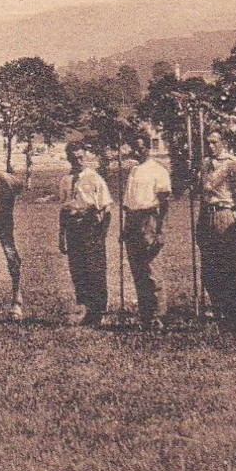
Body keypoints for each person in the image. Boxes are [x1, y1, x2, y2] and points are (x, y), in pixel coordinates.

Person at [197, 130, 236, 328]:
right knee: (209, 268)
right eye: (208, 143)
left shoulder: (233, 164)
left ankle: (234, 314)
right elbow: (202, 190)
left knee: (226, 266)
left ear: (224, 142)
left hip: (225, 214)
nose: (210, 146)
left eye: (214, 142)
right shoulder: (205, 164)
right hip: (207, 215)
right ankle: (218, 309)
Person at [120, 133, 172, 328]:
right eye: (135, 148)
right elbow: (128, 203)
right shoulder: (133, 171)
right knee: (138, 270)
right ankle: (146, 314)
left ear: (148, 148)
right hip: (132, 220)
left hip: (149, 219)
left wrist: (161, 230)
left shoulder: (158, 170)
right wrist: (125, 227)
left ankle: (159, 315)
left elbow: (165, 203)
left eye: (141, 148)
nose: (138, 151)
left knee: (151, 269)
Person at [58, 142, 113, 326]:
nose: (78, 161)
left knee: (95, 268)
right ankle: (86, 309)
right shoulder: (65, 180)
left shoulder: (95, 178)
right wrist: (61, 235)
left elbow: (106, 208)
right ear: (68, 159)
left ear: (87, 156)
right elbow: (64, 209)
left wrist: (101, 233)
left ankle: (100, 310)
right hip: (73, 227)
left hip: (91, 226)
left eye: (81, 157)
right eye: (74, 158)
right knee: (78, 269)